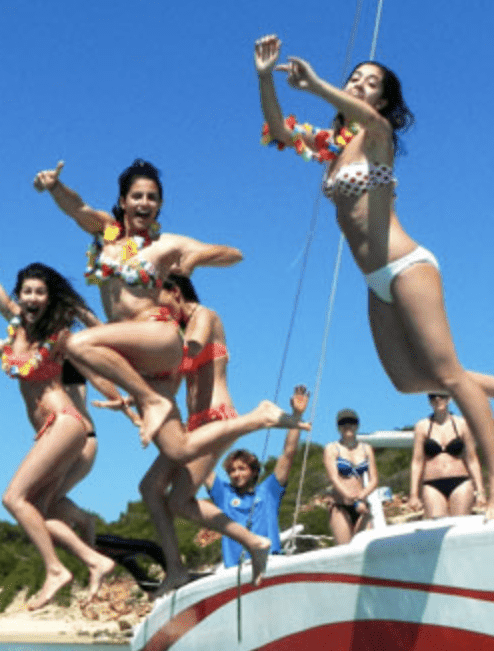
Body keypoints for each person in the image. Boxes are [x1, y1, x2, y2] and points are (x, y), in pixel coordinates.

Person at [254, 35, 494, 519]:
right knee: (406, 381)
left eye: (371, 83)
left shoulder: (377, 137)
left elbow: (372, 121)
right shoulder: (333, 148)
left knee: (448, 374)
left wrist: (316, 84)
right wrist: (265, 77)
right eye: (355, 78)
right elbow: (279, 129)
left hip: (407, 267)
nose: (359, 84)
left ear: (382, 101)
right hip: (375, 280)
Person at [34, 159, 305, 467]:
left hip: (157, 334)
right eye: (137, 196)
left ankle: (151, 400)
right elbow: (77, 208)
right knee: (178, 448)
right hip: (139, 360)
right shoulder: (107, 233)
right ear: (123, 202)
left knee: (76, 343)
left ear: (159, 205)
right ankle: (259, 417)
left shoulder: (165, 244)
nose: (144, 203)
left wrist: (196, 258)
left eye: (152, 197)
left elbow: (234, 254)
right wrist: (55, 187)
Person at [0, 217, 119, 609]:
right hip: (51, 429)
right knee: (38, 511)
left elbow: (97, 363)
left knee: (13, 498)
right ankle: (94, 560)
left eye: (39, 292)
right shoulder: (14, 338)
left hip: (66, 423)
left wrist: (126, 402)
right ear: (19, 295)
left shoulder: (57, 337)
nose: (31, 297)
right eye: (26, 291)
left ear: (49, 298)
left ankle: (56, 570)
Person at [137, 277, 290, 589]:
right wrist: (134, 395)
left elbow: (193, 346)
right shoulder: (179, 329)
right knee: (150, 487)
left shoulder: (205, 316)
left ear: (175, 292)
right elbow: (172, 382)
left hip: (217, 418)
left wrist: (153, 353)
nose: (155, 306)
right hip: (194, 424)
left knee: (179, 501)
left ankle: (253, 542)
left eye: (157, 297)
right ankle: (175, 568)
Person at [203, 390, 309, 573]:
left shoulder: (269, 491)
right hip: (235, 571)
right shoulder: (223, 494)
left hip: (271, 563)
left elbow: (288, 454)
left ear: (253, 471)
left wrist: (297, 416)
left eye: (241, 469)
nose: (236, 474)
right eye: (232, 470)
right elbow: (200, 466)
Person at [410, 392, 484, 518]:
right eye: (432, 396)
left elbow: (472, 460)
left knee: (461, 524)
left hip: (461, 482)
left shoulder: (463, 424)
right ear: (429, 401)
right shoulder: (422, 426)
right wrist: (414, 494)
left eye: (441, 395)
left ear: (449, 398)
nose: (437, 398)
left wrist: (480, 492)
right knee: (437, 526)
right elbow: (417, 462)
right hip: (432, 484)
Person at [323, 408, 379, 544]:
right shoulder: (332, 448)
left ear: (357, 425)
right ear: (338, 427)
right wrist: (349, 496)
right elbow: (334, 478)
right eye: (343, 423)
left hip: (361, 504)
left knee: (366, 546)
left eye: (351, 422)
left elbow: (374, 479)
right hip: (340, 505)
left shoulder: (366, 449)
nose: (348, 426)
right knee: (346, 548)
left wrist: (362, 495)